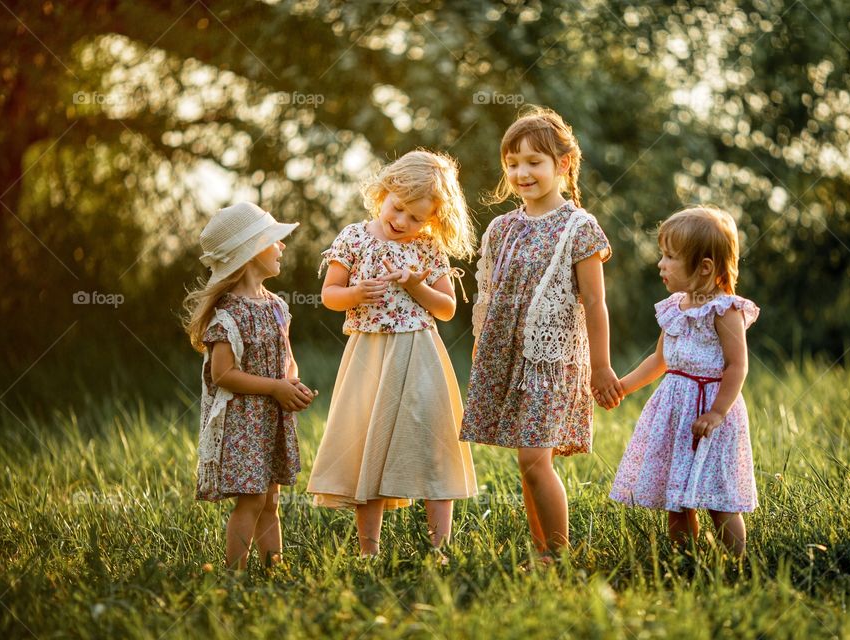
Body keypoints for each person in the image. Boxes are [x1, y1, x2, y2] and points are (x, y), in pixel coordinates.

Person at [461, 107, 622, 563]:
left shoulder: (579, 228)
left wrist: (602, 365)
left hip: (550, 362)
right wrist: (481, 345)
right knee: (527, 463)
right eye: (512, 163)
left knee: (535, 458)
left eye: (534, 161)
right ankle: (542, 552)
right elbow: (489, 296)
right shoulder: (502, 228)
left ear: (562, 165)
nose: (521, 172)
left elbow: (594, 302)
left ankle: (558, 554)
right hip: (505, 357)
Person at [307, 150, 478, 560]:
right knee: (369, 443)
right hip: (369, 354)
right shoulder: (353, 237)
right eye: (398, 208)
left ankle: (439, 549)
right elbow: (330, 295)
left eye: (416, 218)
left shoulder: (427, 248)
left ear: (433, 219)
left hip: (420, 353)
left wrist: (417, 286)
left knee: (433, 445)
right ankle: (370, 552)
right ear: (384, 192)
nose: (402, 222)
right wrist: (356, 293)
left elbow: (447, 308)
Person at [609, 205, 759, 557]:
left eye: (670, 257)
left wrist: (717, 413)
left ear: (704, 267)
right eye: (663, 255)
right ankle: (685, 560)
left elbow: (737, 366)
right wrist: (623, 386)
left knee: (719, 500)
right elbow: (659, 361)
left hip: (710, 416)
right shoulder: (675, 307)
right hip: (675, 414)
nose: (661, 264)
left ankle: (736, 563)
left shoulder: (725, 310)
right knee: (675, 500)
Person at [184, 202, 315, 570]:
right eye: (274, 240)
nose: (283, 247)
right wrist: (274, 388)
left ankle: (275, 567)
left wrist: (292, 384)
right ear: (251, 251)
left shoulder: (275, 305)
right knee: (252, 499)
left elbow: (287, 359)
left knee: (271, 499)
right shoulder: (230, 312)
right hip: (243, 422)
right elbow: (222, 374)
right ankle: (234, 573)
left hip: (270, 418)